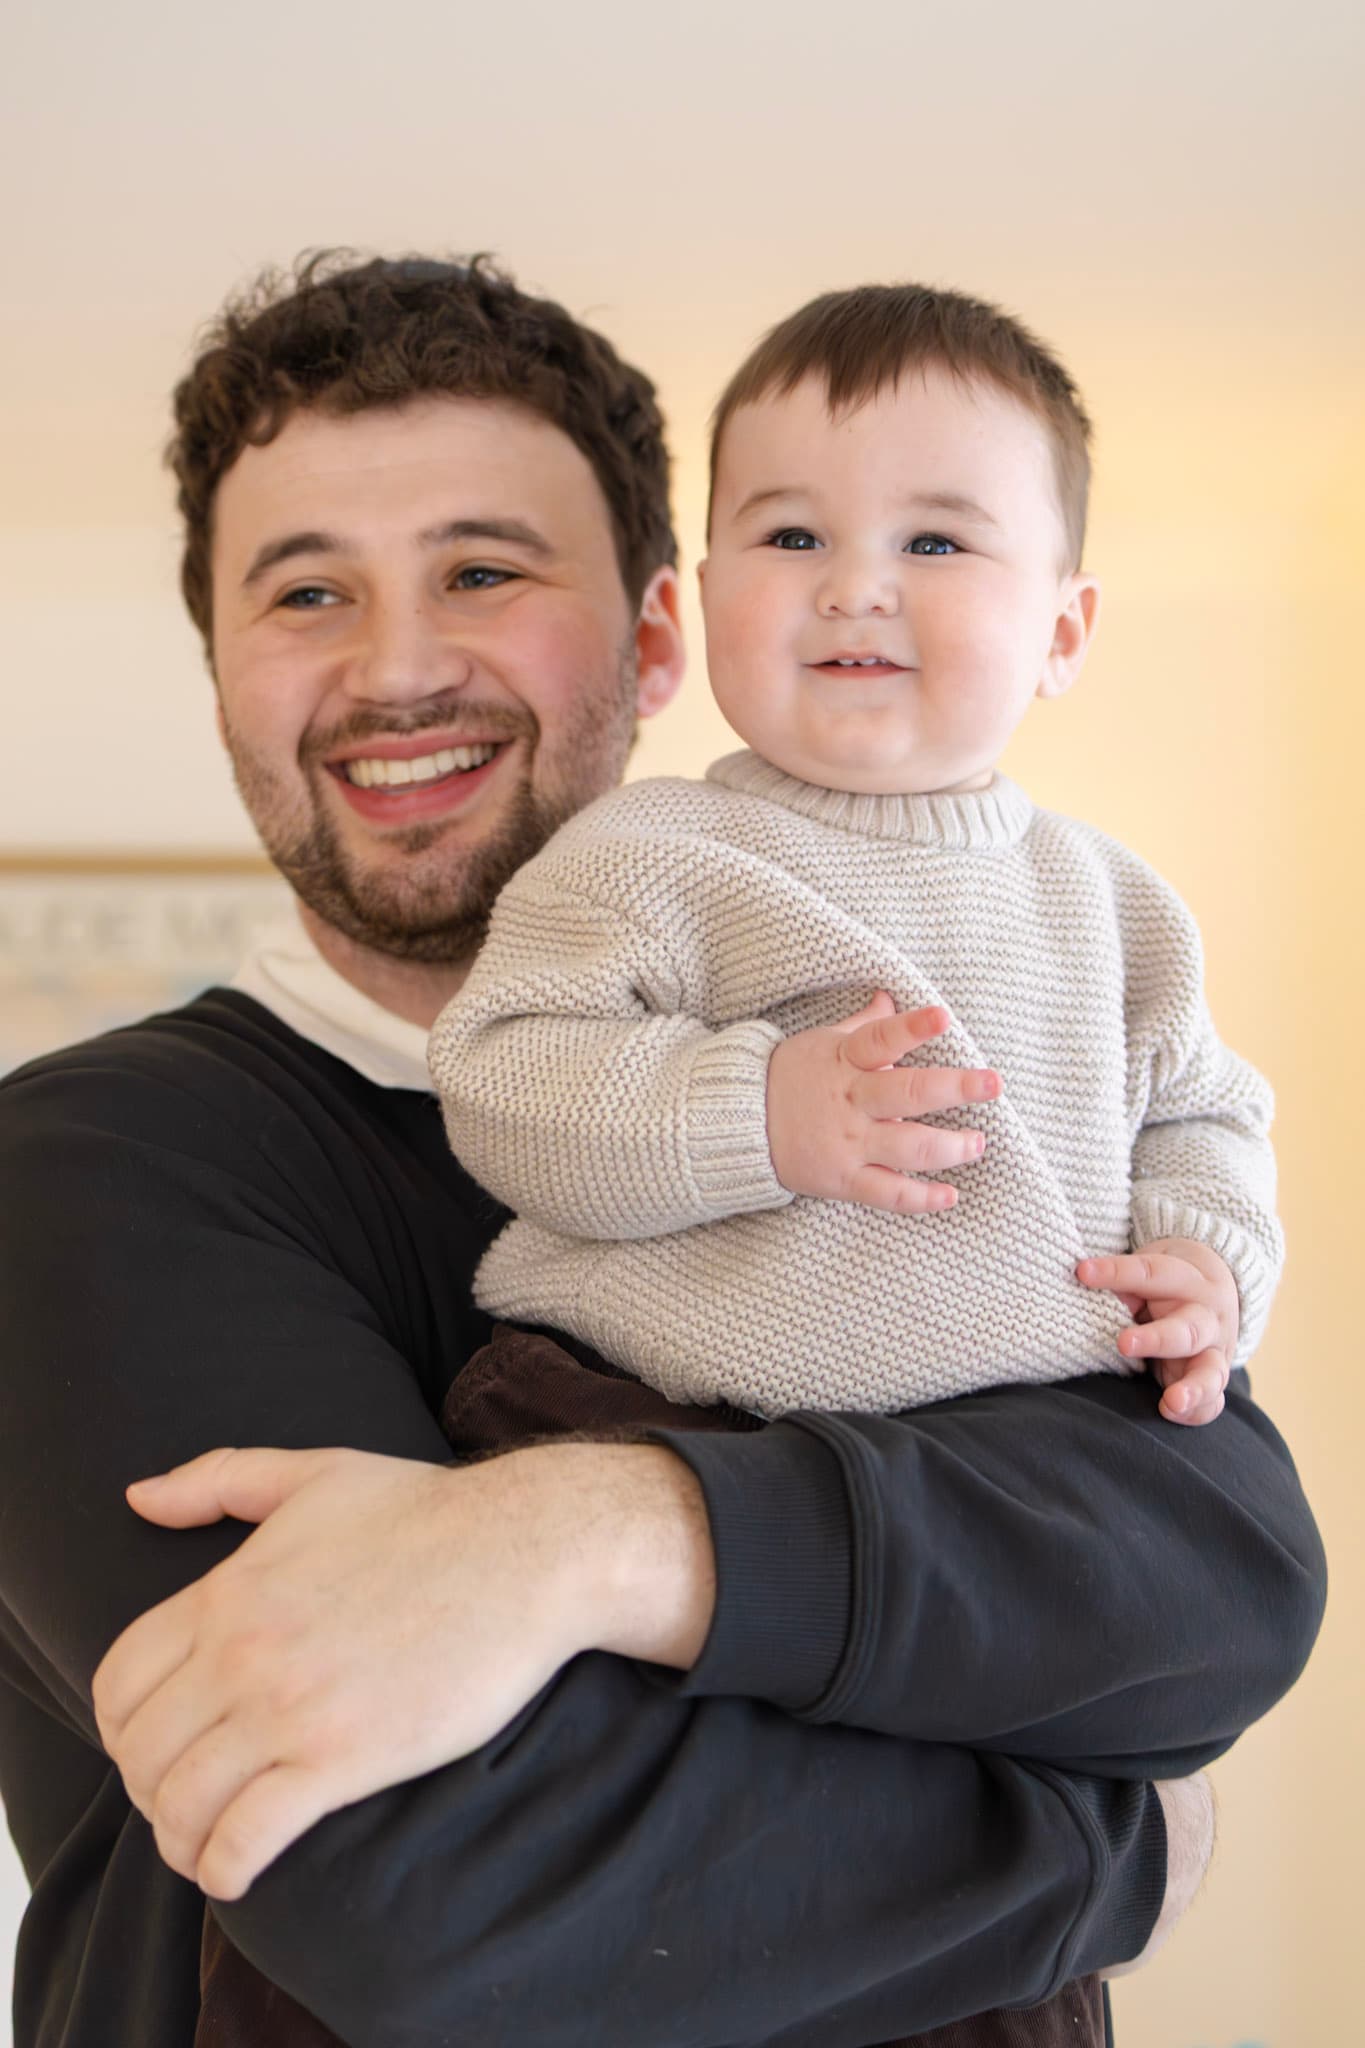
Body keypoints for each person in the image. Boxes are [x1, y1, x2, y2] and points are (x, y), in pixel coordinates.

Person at [0, 254, 1324, 2048]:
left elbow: (1227, 1588)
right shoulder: (85, 1172)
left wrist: (586, 1543)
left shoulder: (1003, 1005)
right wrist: (1122, 1847)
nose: (396, 667)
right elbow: (438, 1891)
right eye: (305, 591)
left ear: (651, 637)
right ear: (225, 671)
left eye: (482, 569)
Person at [431, 281, 1279, 1430]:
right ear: (705, 595)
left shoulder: (1115, 905)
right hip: (646, 1411)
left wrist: (1210, 1257)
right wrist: (754, 1112)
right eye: (791, 536)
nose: (852, 586)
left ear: (1061, 633)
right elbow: (503, 1082)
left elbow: (1205, 1116)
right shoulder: (647, 852)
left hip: (1028, 1433)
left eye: (934, 539)